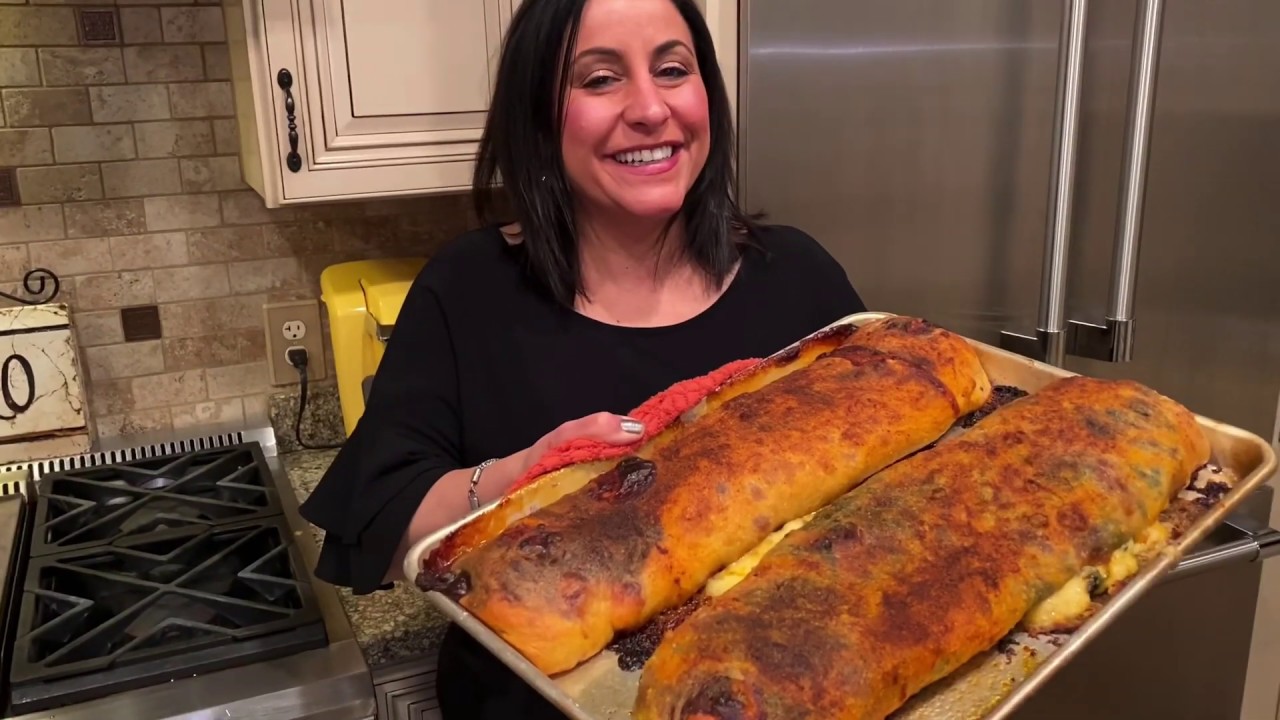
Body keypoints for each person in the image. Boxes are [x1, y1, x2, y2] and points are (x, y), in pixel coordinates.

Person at [299, 0, 868, 716]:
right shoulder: (469, 291)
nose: (651, 109)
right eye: (600, 79)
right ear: (538, 116)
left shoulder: (799, 277)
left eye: (672, 69)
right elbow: (377, 526)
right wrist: (517, 482)